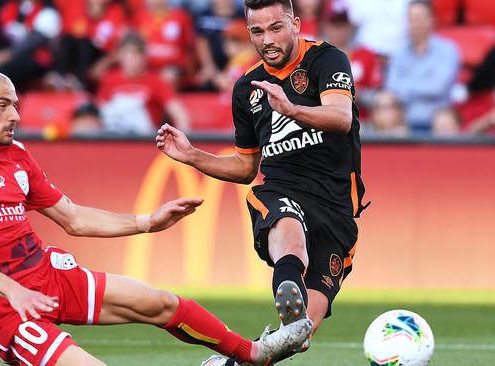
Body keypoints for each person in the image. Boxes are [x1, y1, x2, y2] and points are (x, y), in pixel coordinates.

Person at [0, 68, 312, 366]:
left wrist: (147, 222)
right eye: (4, 105)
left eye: (16, 104)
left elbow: (74, 219)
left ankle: (253, 354)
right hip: (3, 306)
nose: (16, 114)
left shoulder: (16, 156)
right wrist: (13, 292)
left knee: (159, 302)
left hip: (47, 276)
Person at [156, 0, 367, 364]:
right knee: (292, 243)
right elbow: (244, 166)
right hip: (282, 191)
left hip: (336, 208)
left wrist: (293, 109)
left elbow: (341, 116)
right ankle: (288, 281)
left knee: (299, 336)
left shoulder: (327, 60)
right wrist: (192, 156)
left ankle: (232, 361)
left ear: (295, 23)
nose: (267, 39)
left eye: (276, 28)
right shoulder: (247, 88)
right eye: (257, 31)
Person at [384, 0, 460, 134]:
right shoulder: (399, 53)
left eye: (417, 18)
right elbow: (391, 88)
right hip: (405, 122)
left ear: (430, 20)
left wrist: (406, 86)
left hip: (437, 121)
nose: (413, 24)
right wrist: (426, 82)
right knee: (385, 113)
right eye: (410, 19)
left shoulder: (448, 50)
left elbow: (438, 87)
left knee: (444, 123)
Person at [96, 33, 190, 134]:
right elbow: (100, 110)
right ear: (120, 56)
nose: (133, 60)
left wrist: (182, 142)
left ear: (144, 57)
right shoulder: (110, 79)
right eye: (129, 54)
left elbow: (179, 113)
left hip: (145, 139)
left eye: (137, 54)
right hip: (115, 137)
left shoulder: (156, 81)